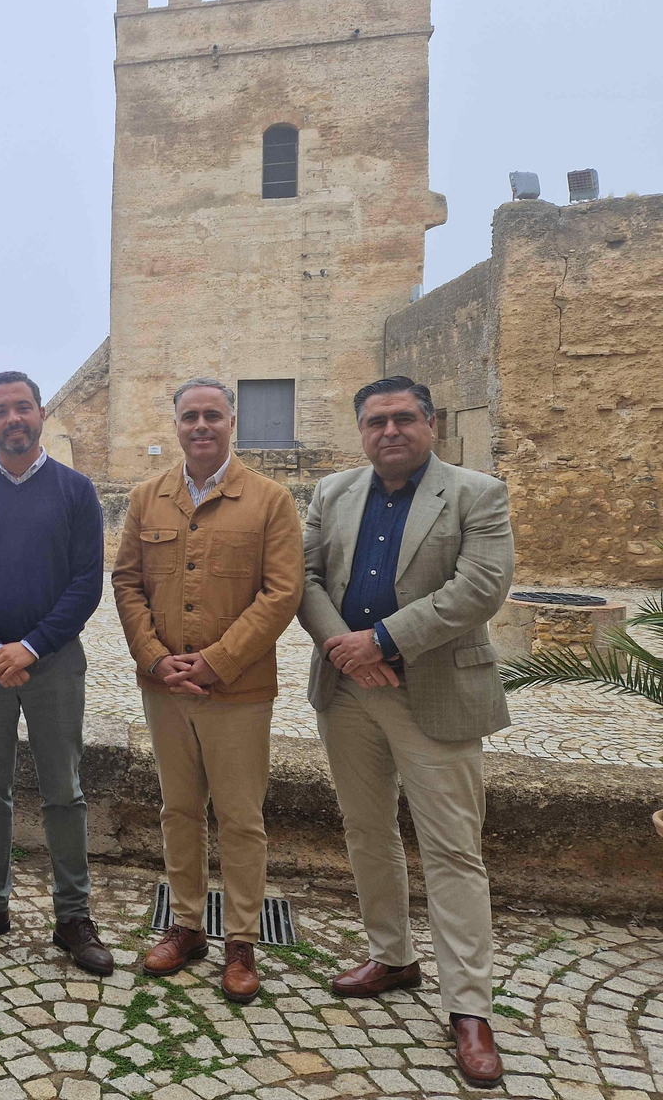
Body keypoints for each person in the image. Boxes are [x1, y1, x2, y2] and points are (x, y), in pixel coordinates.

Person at [299, 376, 515, 1089]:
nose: (389, 431)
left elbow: (480, 588)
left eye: (402, 419)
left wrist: (383, 641)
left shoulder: (477, 494)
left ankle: (469, 1009)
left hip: (434, 691)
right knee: (366, 830)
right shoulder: (332, 492)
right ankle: (392, 957)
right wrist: (348, 650)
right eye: (375, 421)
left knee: (453, 850)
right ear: (361, 431)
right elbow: (304, 579)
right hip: (348, 691)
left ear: (431, 423)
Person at [111, 378, 303, 1002]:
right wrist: (153, 656)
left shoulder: (271, 501)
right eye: (190, 415)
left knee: (241, 817)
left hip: (238, 691)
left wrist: (217, 662)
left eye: (212, 415)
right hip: (165, 687)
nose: (201, 425)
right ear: (176, 425)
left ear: (231, 422)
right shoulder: (146, 498)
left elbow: (282, 593)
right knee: (179, 809)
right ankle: (187, 925)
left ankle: (241, 940)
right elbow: (127, 583)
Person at [0, 371, 113, 976]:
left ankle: (73, 916)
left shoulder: (76, 490)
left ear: (40, 414)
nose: (13, 418)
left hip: (54, 661)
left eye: (23, 407)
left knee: (64, 790)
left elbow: (86, 583)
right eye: (0, 410)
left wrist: (31, 647)